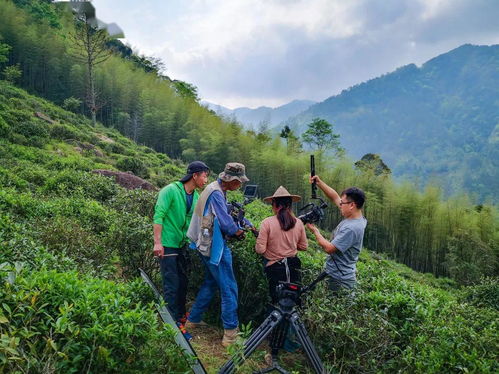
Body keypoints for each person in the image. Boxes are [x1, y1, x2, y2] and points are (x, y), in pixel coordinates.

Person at [185, 162, 249, 347]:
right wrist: (239, 231)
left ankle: (193, 320)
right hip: (214, 248)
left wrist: (246, 221)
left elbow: (226, 213)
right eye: (240, 181)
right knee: (229, 288)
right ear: (232, 180)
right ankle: (230, 335)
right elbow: (228, 225)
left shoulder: (215, 189)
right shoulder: (216, 193)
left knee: (211, 282)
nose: (241, 185)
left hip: (202, 245)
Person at [152, 161, 210, 339]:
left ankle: (180, 316)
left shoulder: (195, 196)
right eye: (204, 175)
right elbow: (158, 215)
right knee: (172, 284)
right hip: (168, 244)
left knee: (183, 282)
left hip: (182, 245)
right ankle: (174, 325)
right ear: (195, 175)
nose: (206, 180)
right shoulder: (170, 190)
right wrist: (157, 242)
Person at [306, 175, 367, 293]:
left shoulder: (352, 228)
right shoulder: (356, 216)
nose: (339, 205)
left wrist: (315, 231)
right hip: (337, 273)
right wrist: (319, 183)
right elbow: (335, 197)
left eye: (342, 203)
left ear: (351, 205)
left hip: (340, 278)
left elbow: (329, 248)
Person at [255, 186, 308, 304]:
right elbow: (304, 246)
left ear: (274, 204)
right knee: (293, 299)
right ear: (289, 205)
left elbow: (260, 249)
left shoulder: (267, 222)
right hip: (293, 266)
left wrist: (271, 244)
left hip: (274, 268)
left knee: (276, 299)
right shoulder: (298, 223)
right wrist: (291, 244)